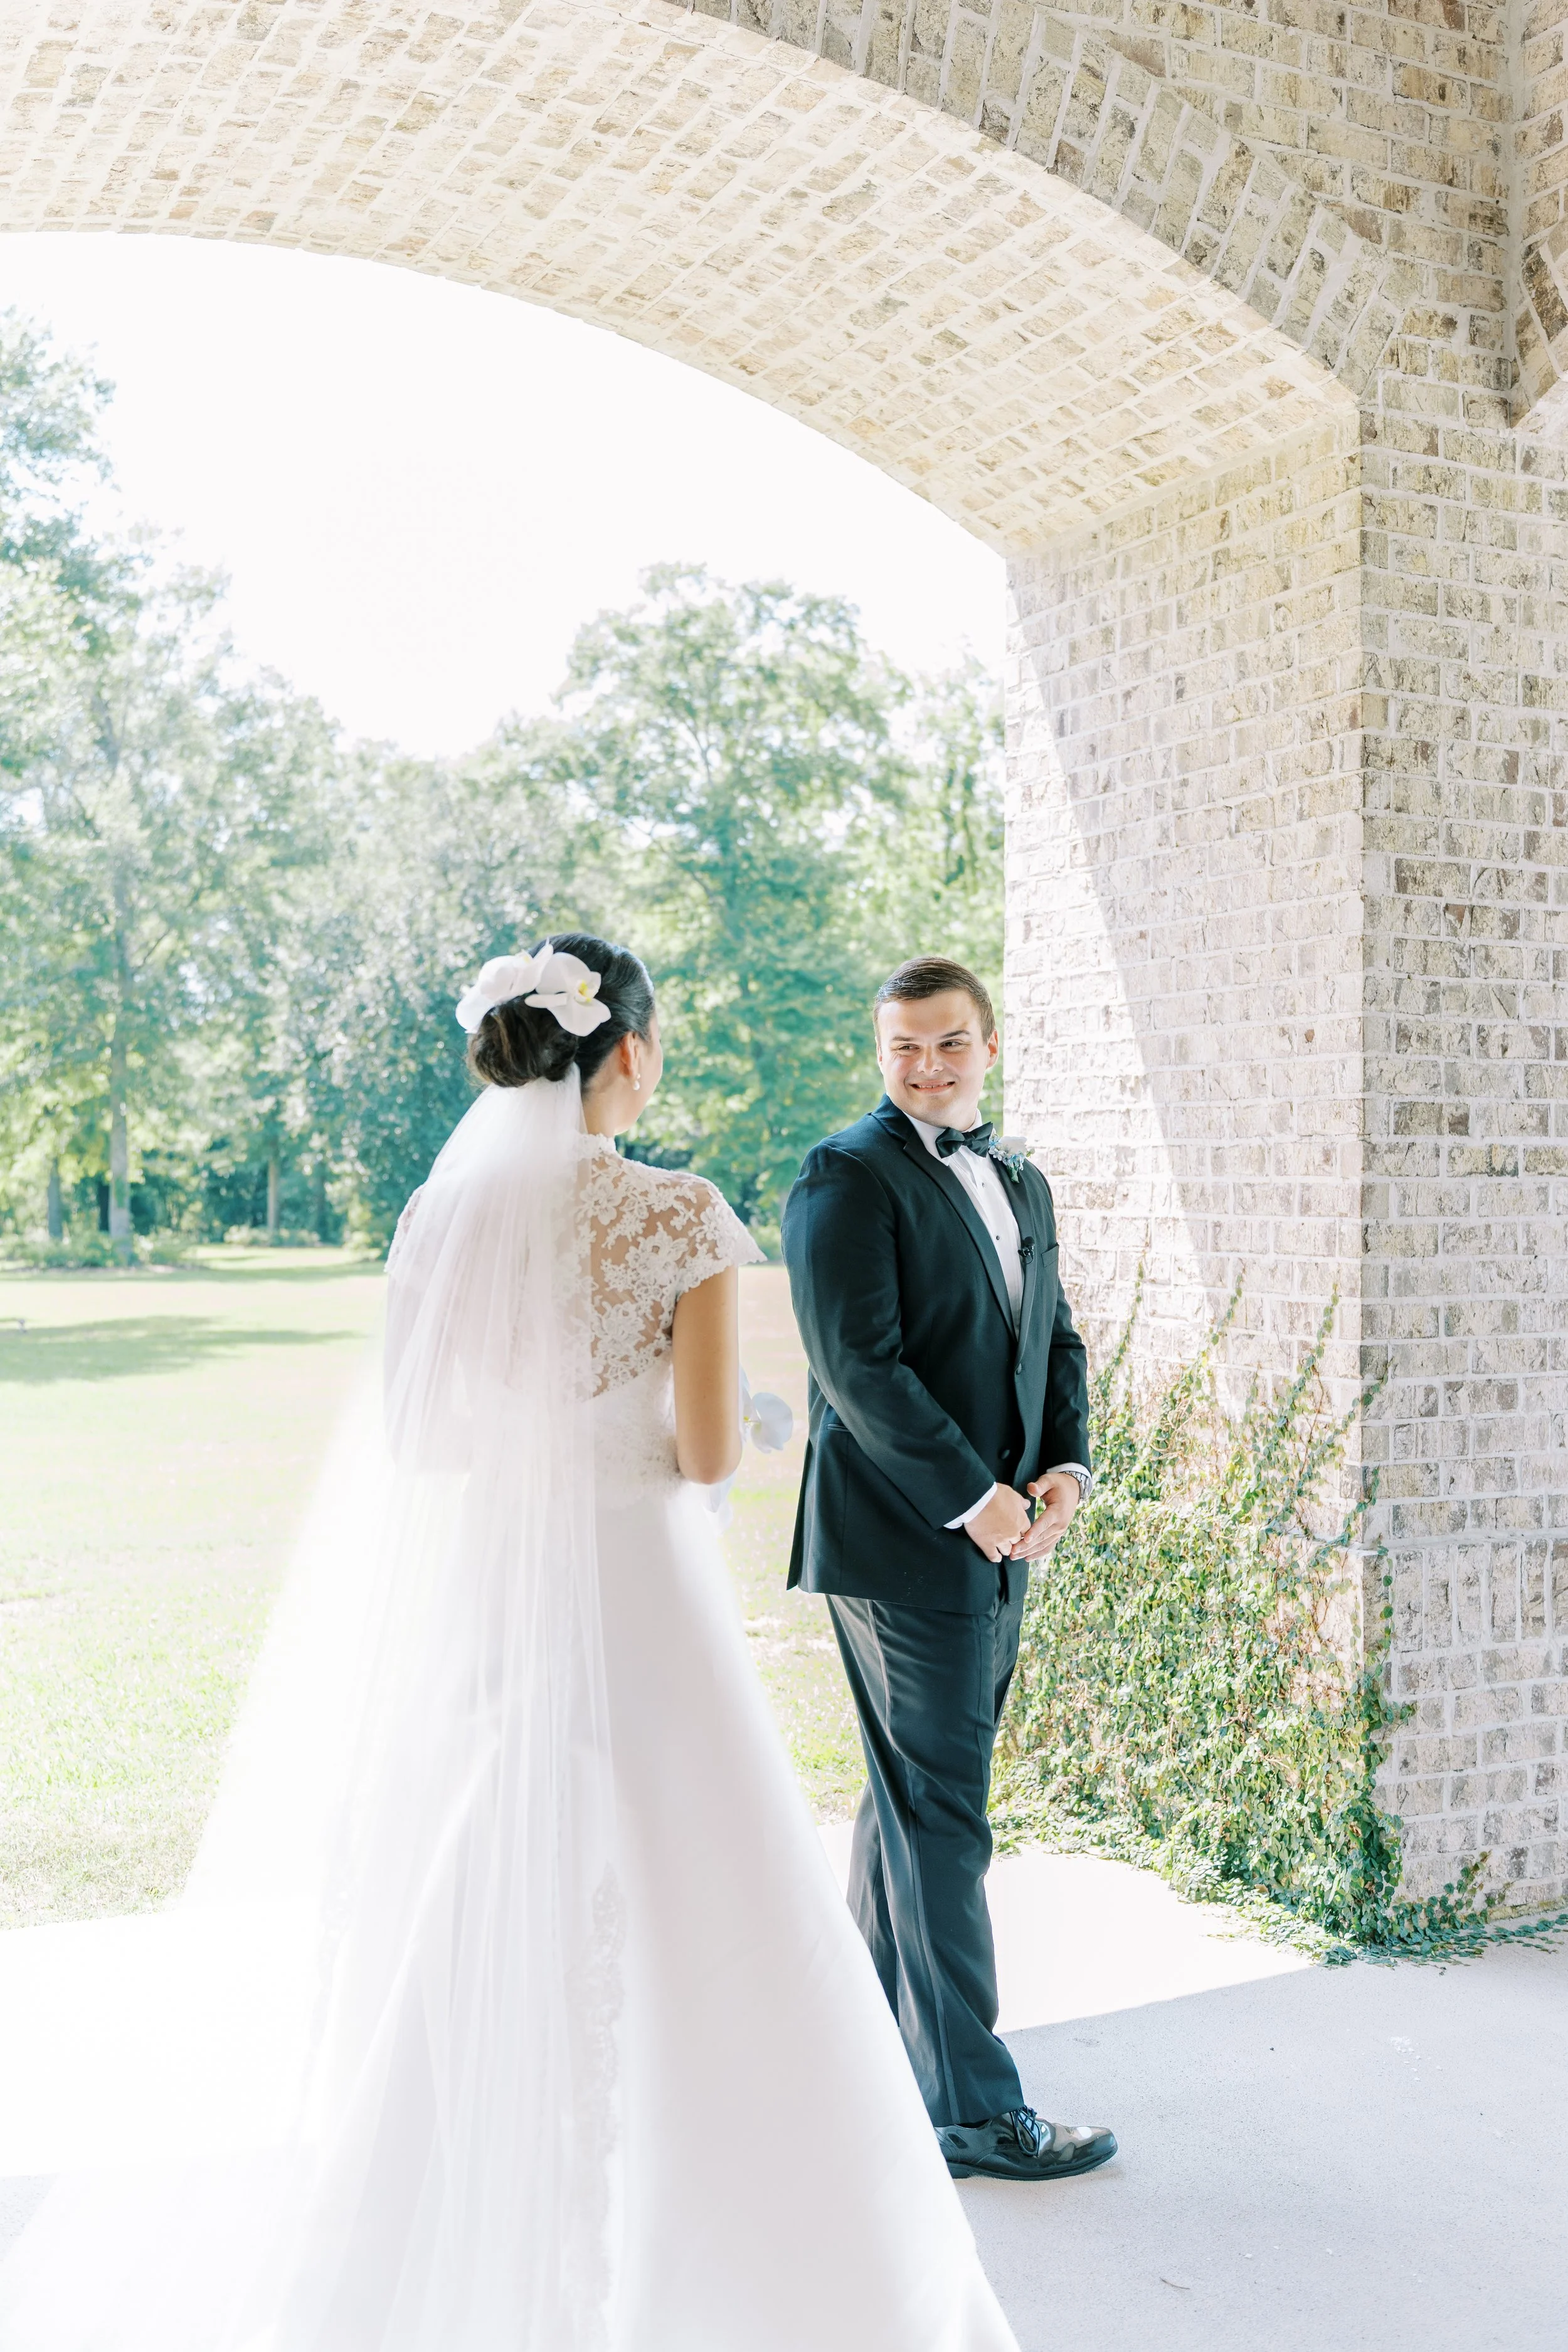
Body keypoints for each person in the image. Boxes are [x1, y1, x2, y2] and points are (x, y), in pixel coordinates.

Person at [0, 932, 1019, 2352]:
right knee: (703, 1886)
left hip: (504, 1603)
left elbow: (421, 1443)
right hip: (641, 1598)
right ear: (631, 1053)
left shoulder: (440, 1219)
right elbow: (705, 1448)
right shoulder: (677, 1214)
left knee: (489, 1875)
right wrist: (726, 1426)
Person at [781, 953, 1118, 2186]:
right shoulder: (843, 1175)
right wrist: (970, 1500)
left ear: (987, 1043)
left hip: (1008, 1537)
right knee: (943, 1819)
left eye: (947, 1045)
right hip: (898, 1546)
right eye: (901, 1049)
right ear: (879, 1054)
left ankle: (867, 2053)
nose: (924, 1068)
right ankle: (974, 2113)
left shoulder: (1017, 1177)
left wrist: (1064, 1474)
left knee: (909, 1809)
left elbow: (1056, 1342)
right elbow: (854, 1368)